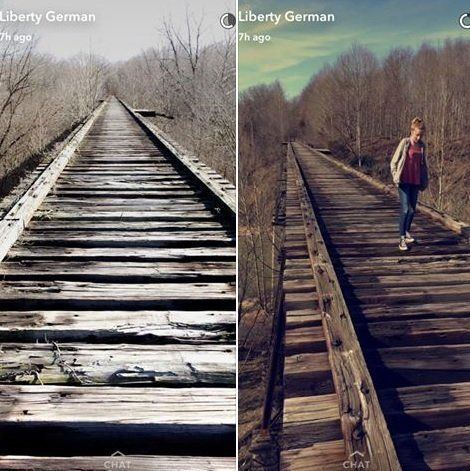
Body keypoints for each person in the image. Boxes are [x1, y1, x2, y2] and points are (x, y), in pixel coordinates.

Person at [390, 117, 429, 251]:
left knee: (412, 210)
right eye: (417, 134)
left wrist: (425, 179)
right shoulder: (405, 143)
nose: (418, 137)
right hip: (404, 180)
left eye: (421, 135)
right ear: (411, 131)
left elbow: (423, 165)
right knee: (405, 209)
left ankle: (406, 232)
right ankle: (401, 239)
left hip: (415, 181)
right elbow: (394, 162)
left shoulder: (422, 146)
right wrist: (396, 176)